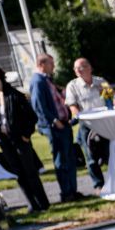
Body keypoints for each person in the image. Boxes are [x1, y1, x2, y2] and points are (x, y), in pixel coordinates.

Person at [0, 64, 50, 212]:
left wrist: (26, 135)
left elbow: (31, 117)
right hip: (4, 140)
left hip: (20, 139)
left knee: (30, 172)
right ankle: (32, 203)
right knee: (18, 173)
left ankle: (43, 203)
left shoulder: (15, 95)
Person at [30, 54, 82, 203]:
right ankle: (66, 192)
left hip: (64, 124)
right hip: (54, 126)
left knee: (69, 158)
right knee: (61, 159)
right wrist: (54, 121)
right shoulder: (38, 81)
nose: (53, 66)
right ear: (42, 64)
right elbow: (38, 105)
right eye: (50, 63)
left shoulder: (47, 79)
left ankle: (73, 190)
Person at [62, 56, 109, 191]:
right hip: (86, 125)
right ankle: (99, 185)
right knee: (91, 158)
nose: (78, 70)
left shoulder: (101, 81)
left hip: (104, 122)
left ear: (89, 68)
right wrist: (80, 116)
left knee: (110, 152)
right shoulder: (72, 86)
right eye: (75, 68)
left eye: (81, 67)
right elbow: (72, 106)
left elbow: (111, 98)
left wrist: (108, 97)